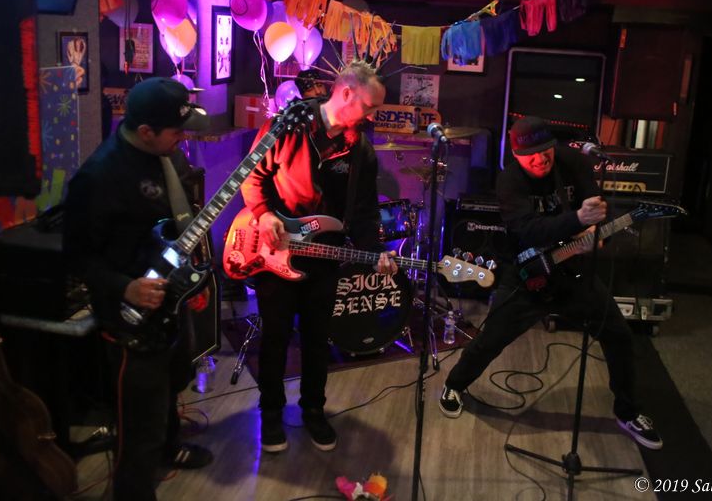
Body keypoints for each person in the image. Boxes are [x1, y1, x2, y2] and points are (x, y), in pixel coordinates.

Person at [438, 116, 663, 450]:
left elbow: (595, 209)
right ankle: (454, 384)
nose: (541, 160)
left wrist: (597, 231)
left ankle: (627, 412)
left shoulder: (574, 163)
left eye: (546, 151)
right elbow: (527, 230)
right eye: (531, 156)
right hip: (526, 272)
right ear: (516, 155)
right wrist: (577, 219)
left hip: (573, 271)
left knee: (618, 335)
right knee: (491, 339)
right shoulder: (509, 181)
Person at [64, 77, 214, 501]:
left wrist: (191, 279)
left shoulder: (166, 156)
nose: (183, 139)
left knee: (171, 385)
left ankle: (169, 448)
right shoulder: (99, 178)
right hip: (130, 317)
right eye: (176, 131)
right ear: (146, 131)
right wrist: (125, 288)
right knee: (139, 425)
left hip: (169, 299)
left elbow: (175, 228)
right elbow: (76, 257)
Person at [241, 60, 397, 453]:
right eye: (369, 106)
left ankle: (313, 409)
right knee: (275, 337)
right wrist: (264, 215)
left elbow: (364, 211)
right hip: (276, 250)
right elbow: (252, 177)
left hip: (324, 254)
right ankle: (271, 413)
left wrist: (375, 252)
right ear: (346, 93)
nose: (372, 115)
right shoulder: (289, 124)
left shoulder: (361, 150)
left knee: (317, 339)